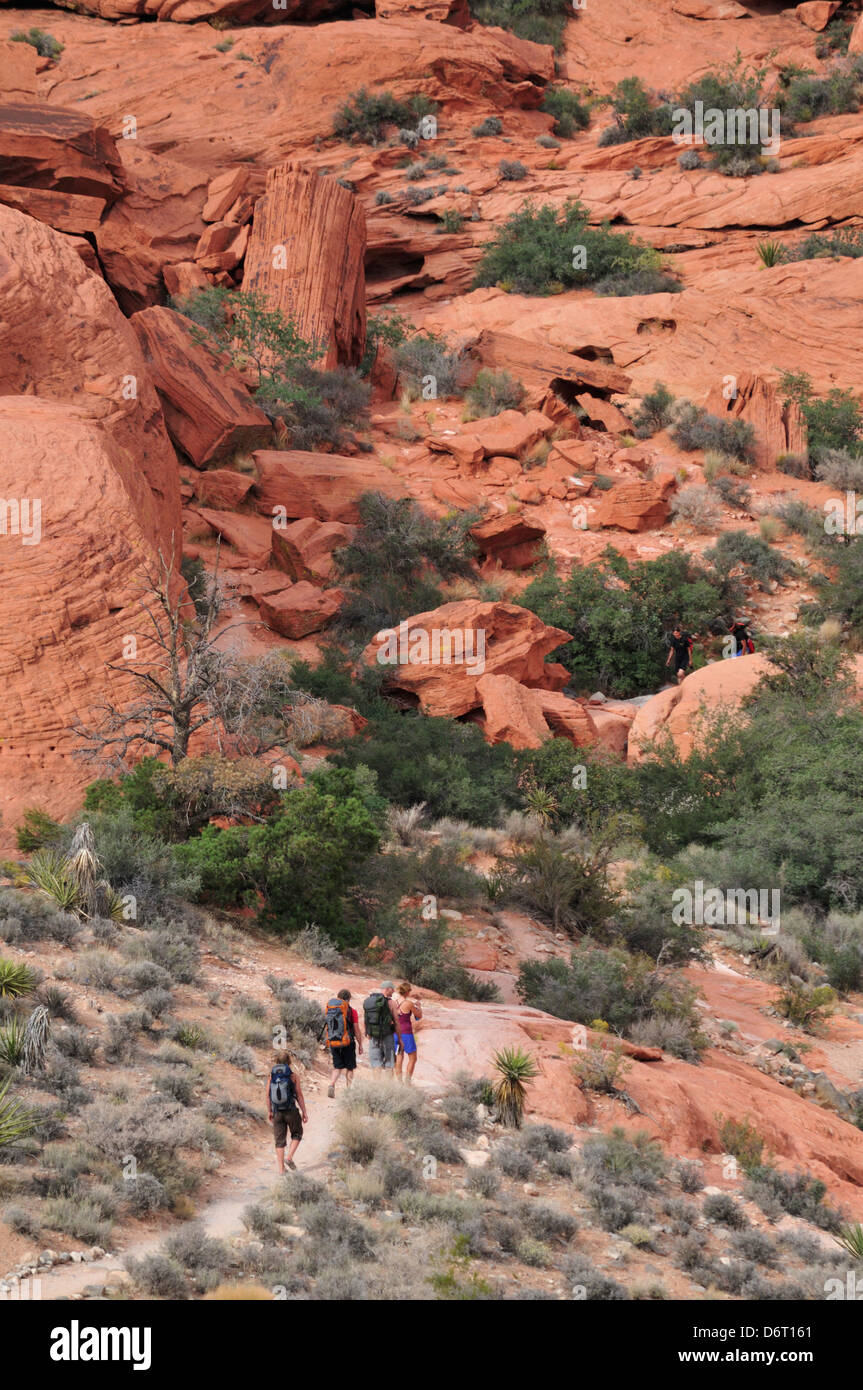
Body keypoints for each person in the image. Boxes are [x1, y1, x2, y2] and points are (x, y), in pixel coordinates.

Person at [266, 1049, 308, 1174]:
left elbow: (267, 1095)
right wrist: (304, 1112)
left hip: (277, 1112)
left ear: (277, 1061)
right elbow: (299, 1095)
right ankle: (289, 1157)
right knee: (297, 1133)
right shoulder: (293, 1076)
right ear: (289, 1061)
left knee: (279, 1141)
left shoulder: (271, 1076)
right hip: (291, 1110)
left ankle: (281, 1170)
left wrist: (269, 1111)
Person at [325, 988, 363, 1098]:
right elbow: (356, 1029)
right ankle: (349, 1091)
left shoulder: (331, 1009)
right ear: (349, 998)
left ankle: (331, 1085)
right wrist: (360, 1044)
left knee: (337, 1067)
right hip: (348, 1042)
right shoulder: (352, 1011)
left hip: (334, 1041)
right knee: (349, 1068)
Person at [363, 980, 398, 1076]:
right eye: (392, 989)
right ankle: (388, 1088)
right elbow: (397, 1022)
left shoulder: (370, 1001)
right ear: (387, 989)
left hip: (373, 1037)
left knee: (376, 1065)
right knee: (389, 1064)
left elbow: (366, 1019)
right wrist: (400, 1038)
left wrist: (368, 1033)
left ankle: (376, 1087)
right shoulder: (392, 1003)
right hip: (387, 1036)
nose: (393, 991)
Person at [393, 982, 423, 1085]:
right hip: (406, 1034)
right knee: (413, 1058)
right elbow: (418, 1016)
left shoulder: (393, 1002)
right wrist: (419, 1006)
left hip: (395, 1034)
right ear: (407, 992)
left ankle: (399, 1082)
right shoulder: (408, 1003)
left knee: (399, 1057)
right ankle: (407, 1082)